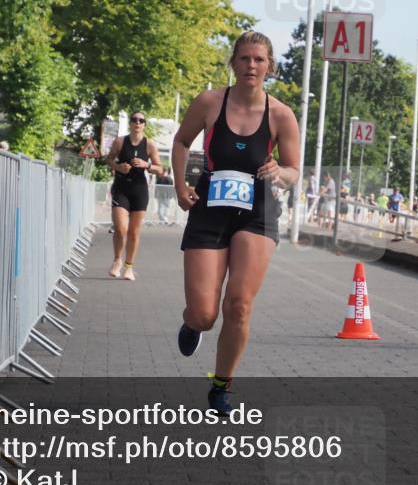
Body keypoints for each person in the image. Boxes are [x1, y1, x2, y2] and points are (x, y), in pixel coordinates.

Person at [171, 31, 300, 416]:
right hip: (210, 207)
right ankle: (192, 323)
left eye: (259, 60)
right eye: (244, 58)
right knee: (204, 313)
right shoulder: (210, 102)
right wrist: (180, 186)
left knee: (240, 305)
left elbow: (295, 170)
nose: (251, 66)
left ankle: (221, 387)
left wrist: (282, 171)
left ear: (269, 66)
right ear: (233, 63)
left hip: (257, 210)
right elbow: (180, 142)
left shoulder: (281, 115)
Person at [106, 111, 164, 280]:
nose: (137, 123)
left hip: (139, 190)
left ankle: (129, 267)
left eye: (141, 120)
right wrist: (118, 168)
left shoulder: (149, 145)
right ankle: (117, 260)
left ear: (145, 124)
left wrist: (147, 164)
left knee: (133, 232)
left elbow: (160, 169)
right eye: (134, 120)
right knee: (120, 228)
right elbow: (109, 159)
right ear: (130, 123)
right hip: (121, 188)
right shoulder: (120, 142)